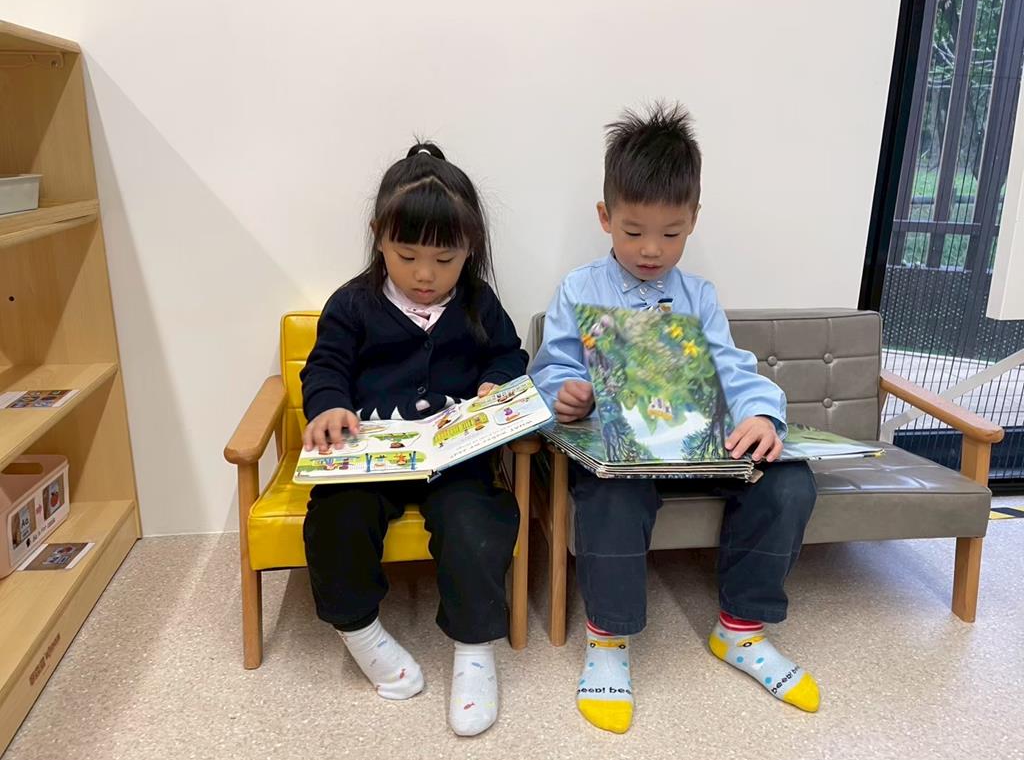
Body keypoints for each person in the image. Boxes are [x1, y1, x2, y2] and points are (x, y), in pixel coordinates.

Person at [530, 104, 820, 733]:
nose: (651, 249)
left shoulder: (698, 297)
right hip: (620, 452)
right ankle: (608, 639)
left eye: (671, 233)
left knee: (789, 481)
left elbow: (734, 371)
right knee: (611, 495)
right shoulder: (580, 289)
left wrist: (761, 415)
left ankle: (741, 629)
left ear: (693, 220)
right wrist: (566, 392)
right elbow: (549, 369)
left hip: (695, 444)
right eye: (633, 231)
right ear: (605, 217)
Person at [300, 142, 528, 736]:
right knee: (336, 519)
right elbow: (325, 365)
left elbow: (509, 354)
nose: (425, 275)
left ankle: (475, 651)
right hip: (371, 458)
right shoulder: (353, 304)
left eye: (445, 260)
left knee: (477, 522)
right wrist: (328, 405)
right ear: (378, 238)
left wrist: (495, 384)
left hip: (453, 460)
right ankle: (361, 634)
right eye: (407, 256)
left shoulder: (477, 303)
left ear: (469, 249)